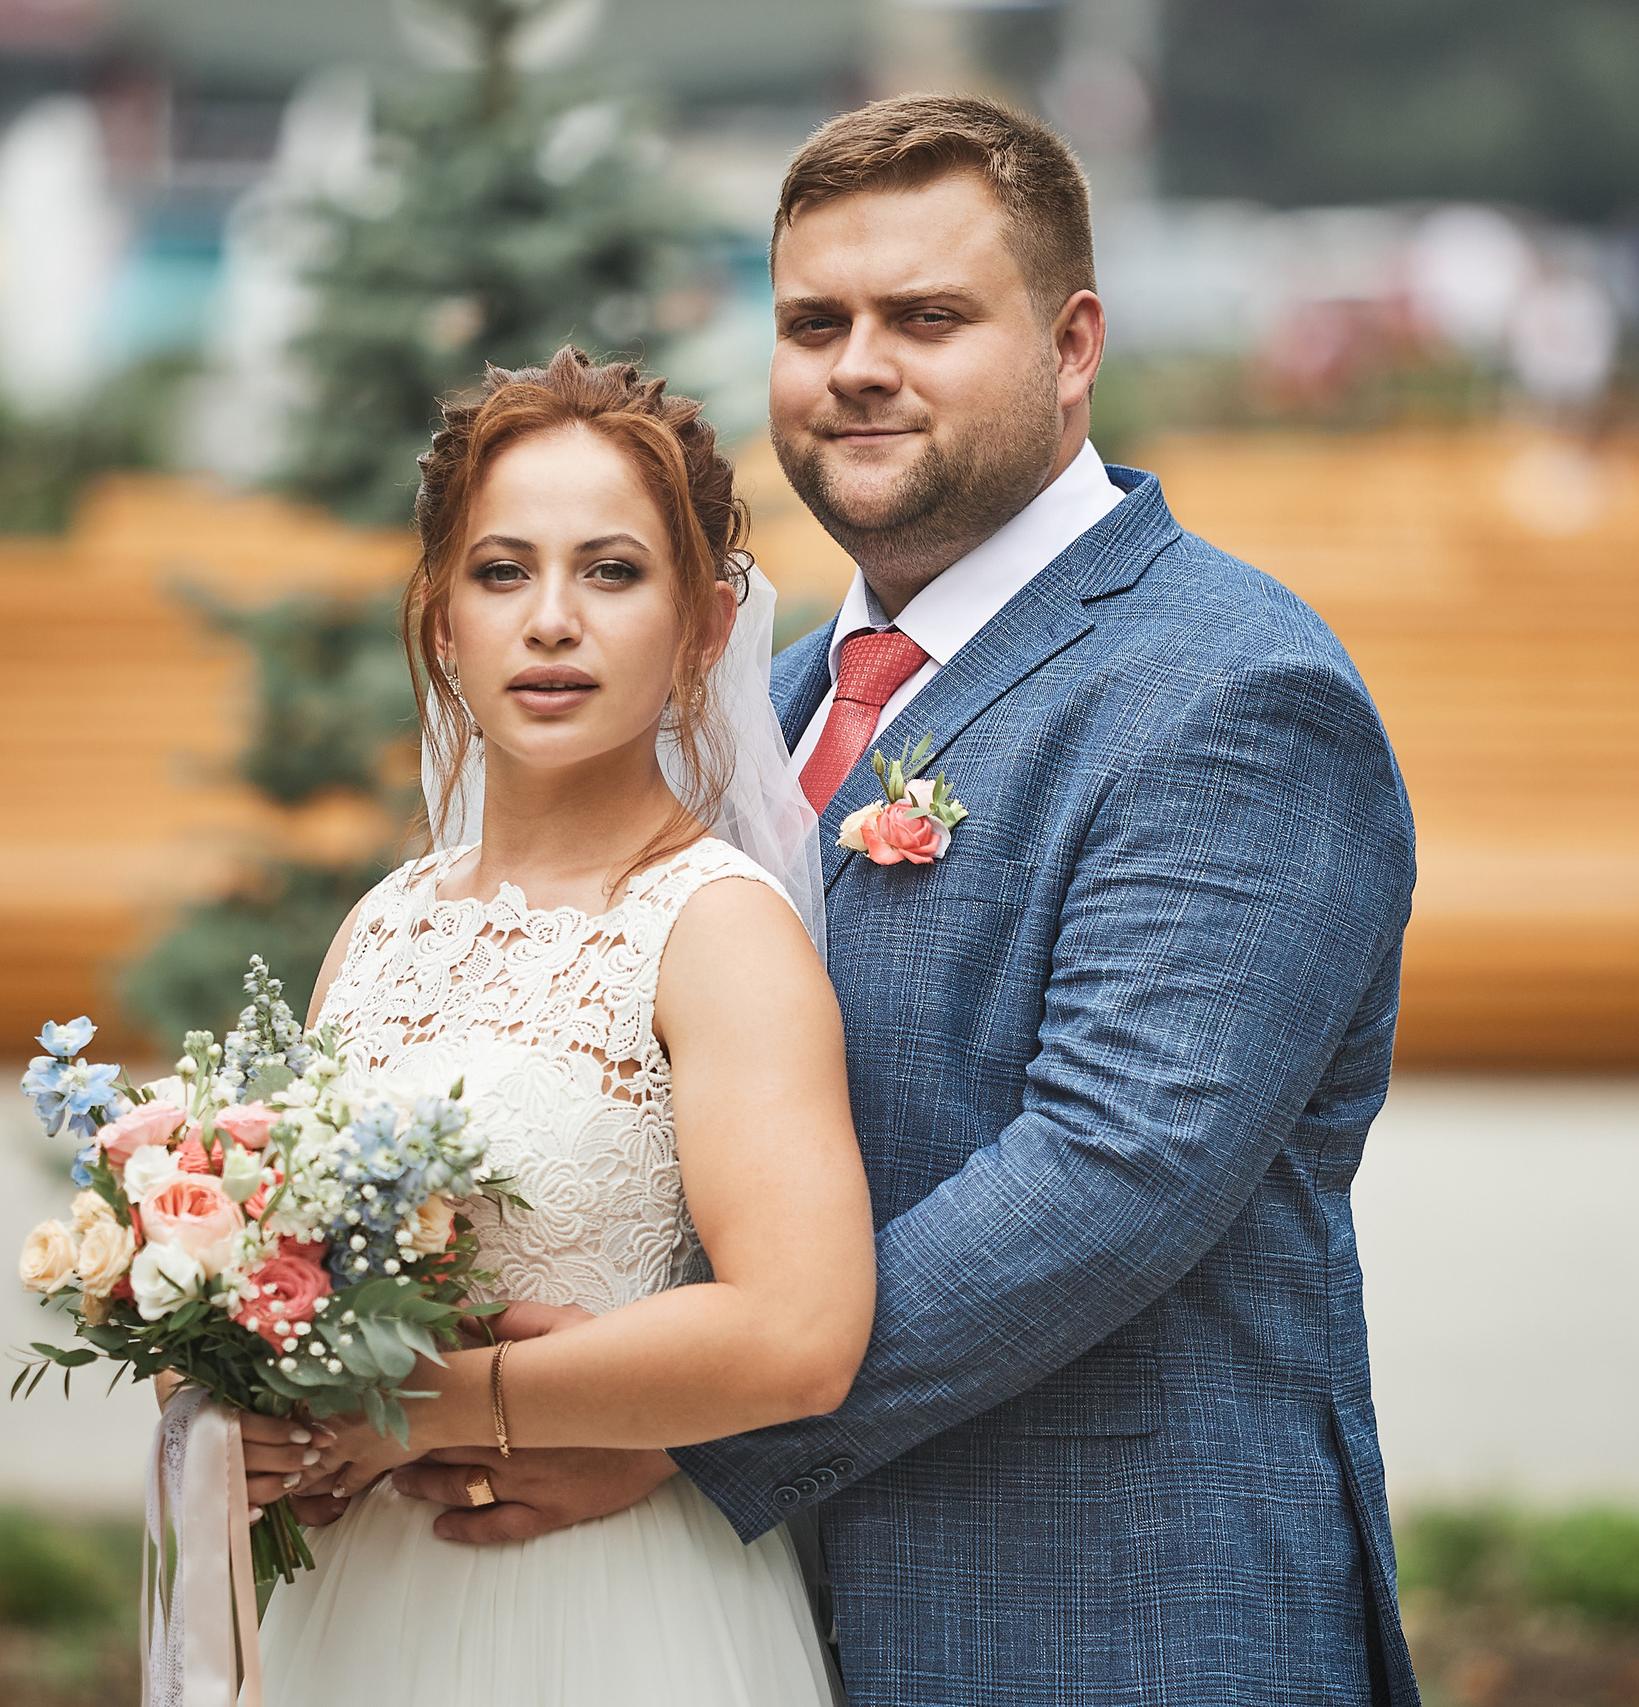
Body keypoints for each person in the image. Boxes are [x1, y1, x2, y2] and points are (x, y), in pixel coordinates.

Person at [355, 96, 1425, 1706]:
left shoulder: (1233, 693)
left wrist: (669, 1426)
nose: (858, 364)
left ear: (1072, 347)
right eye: (814, 322)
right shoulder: (755, 710)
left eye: (927, 317)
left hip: (1112, 1618)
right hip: (748, 1636)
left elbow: (1112, 1170)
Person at [235, 348, 872, 1703]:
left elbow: (803, 1333)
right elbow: (302, 1295)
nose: (552, 621)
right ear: (441, 616)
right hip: (361, 1613)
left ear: (703, 626)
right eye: (504, 570)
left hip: (612, 1610)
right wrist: (266, 1421)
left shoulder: (717, 931)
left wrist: (423, 1409)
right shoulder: (381, 926)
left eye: (613, 571)